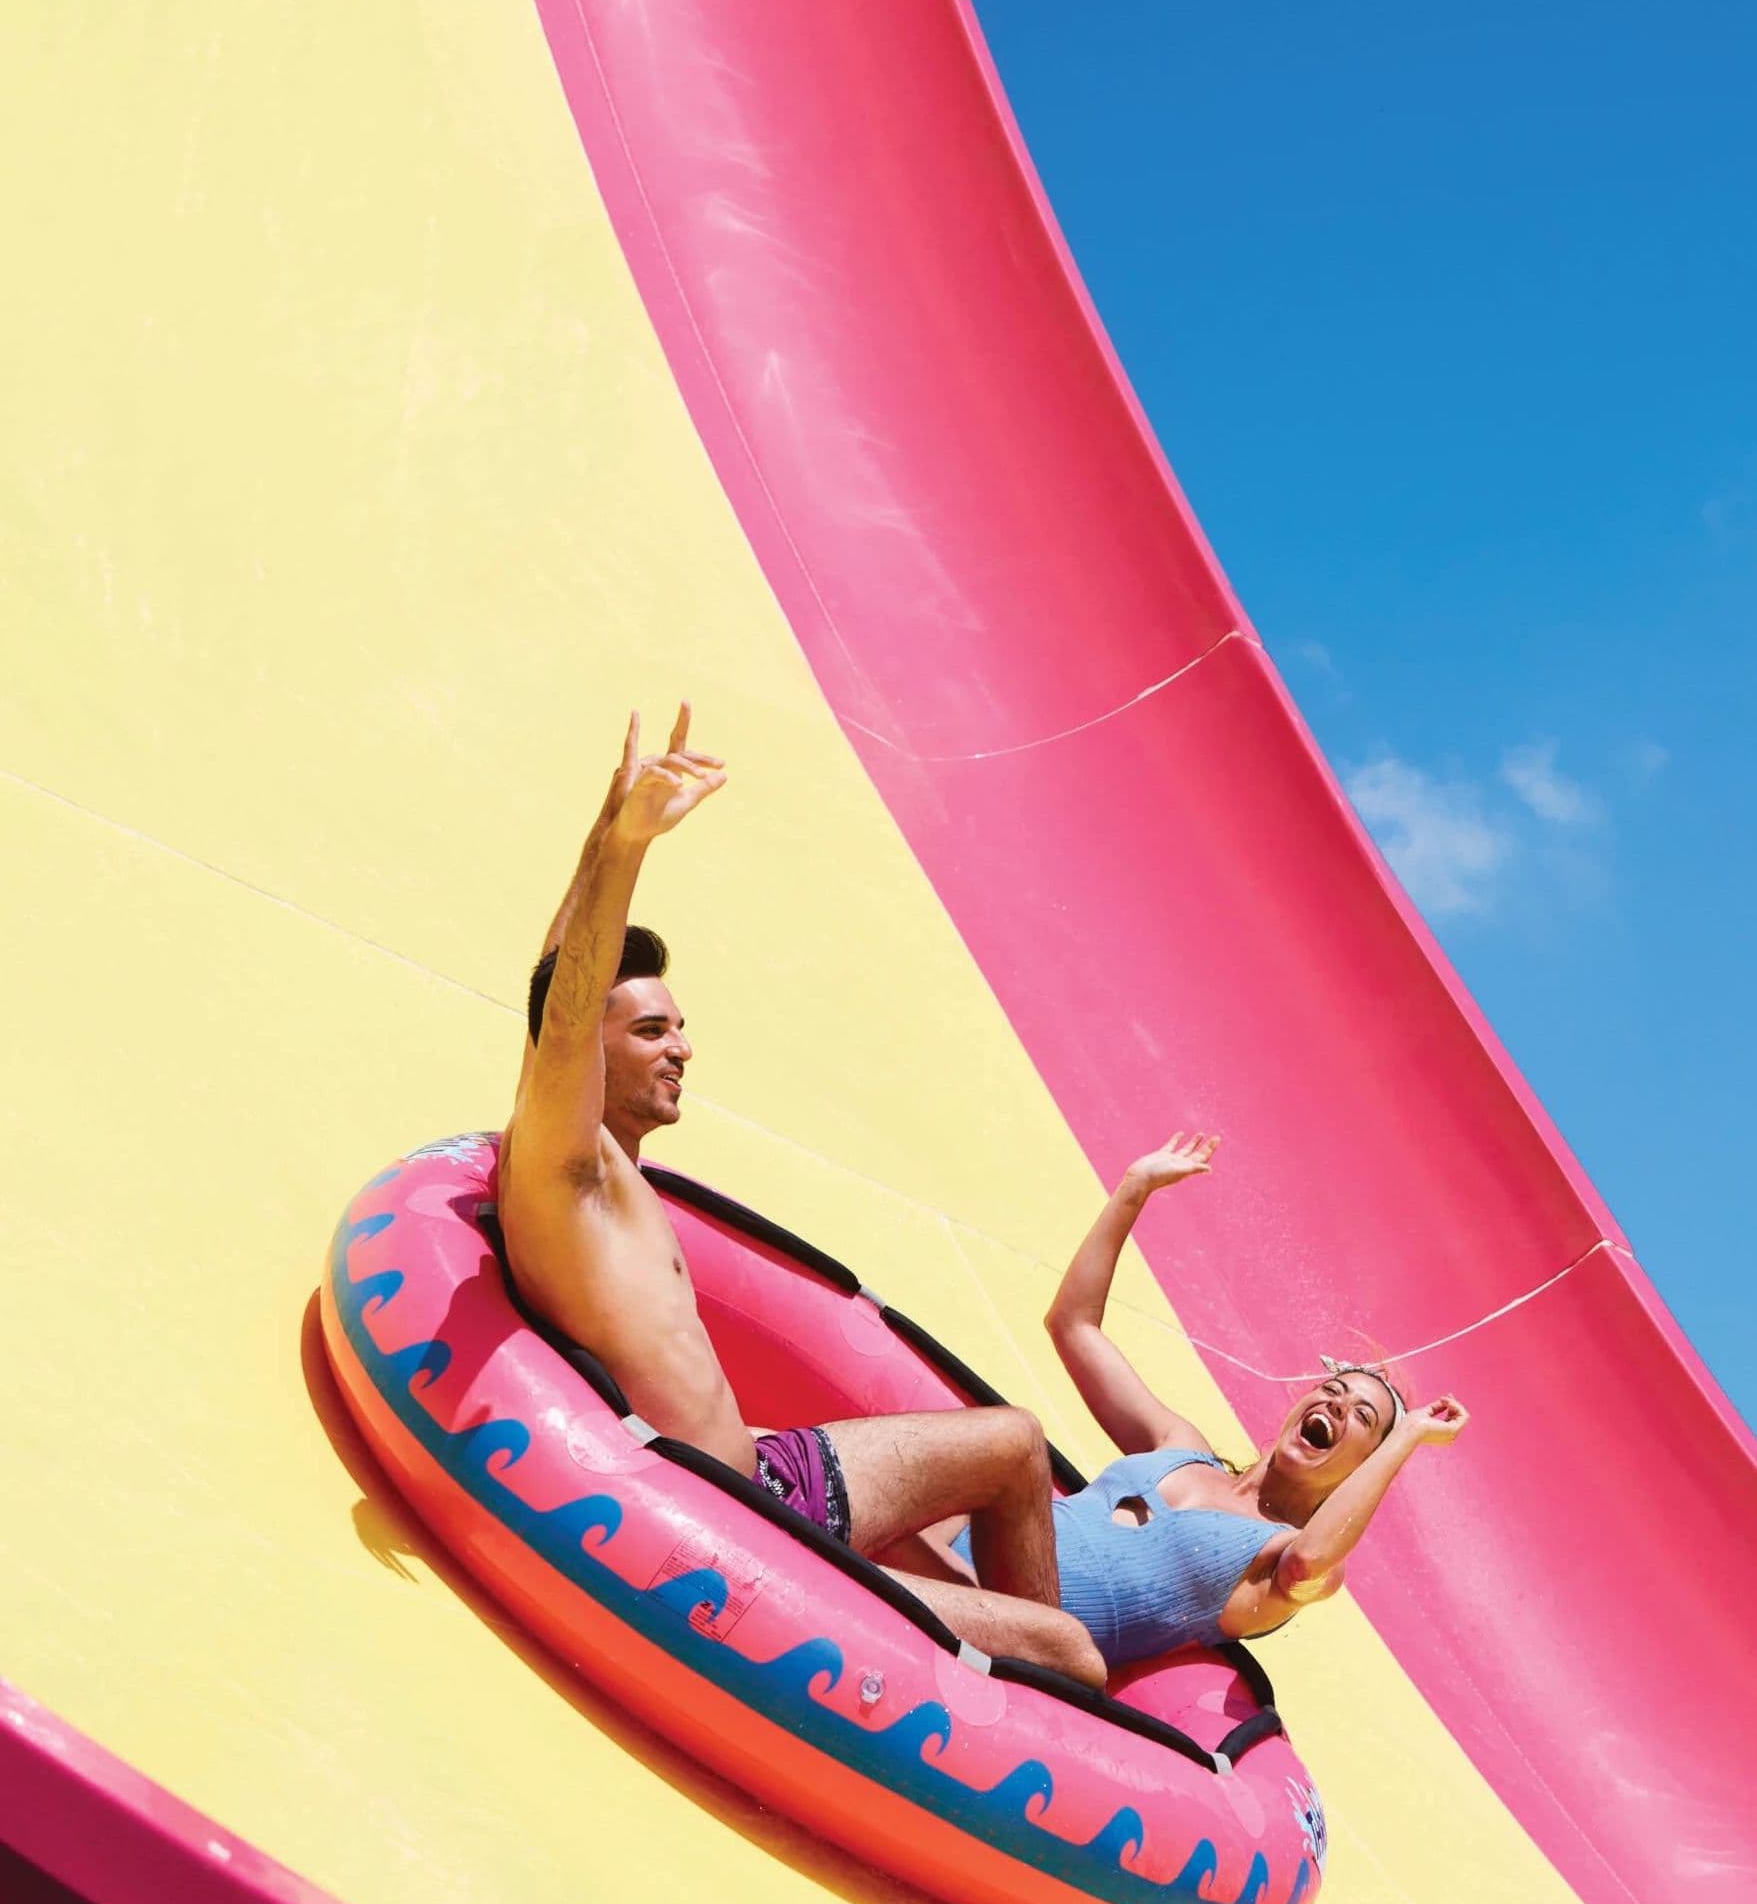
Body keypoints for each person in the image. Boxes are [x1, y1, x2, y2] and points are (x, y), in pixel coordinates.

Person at [498, 704, 1105, 1685]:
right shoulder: (565, 1174)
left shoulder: (616, 1171)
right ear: (590, 1054)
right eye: (652, 1032)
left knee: (1011, 1444)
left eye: (679, 1026)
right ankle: (1035, 1687)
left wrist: (599, 835)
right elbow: (556, 1014)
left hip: (773, 1474)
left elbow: (554, 989)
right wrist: (625, 850)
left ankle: (991, 1654)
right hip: (738, 1525)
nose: (683, 1048)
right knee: (1071, 1652)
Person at [928, 1130, 1468, 1667]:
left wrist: (1409, 1434)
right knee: (1005, 1437)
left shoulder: (1287, 1557)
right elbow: (1072, 1325)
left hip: (1020, 1635)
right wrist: (1133, 1191)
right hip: (950, 1558)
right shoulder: (1179, 1446)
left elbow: (1308, 1561)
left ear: (1364, 1468)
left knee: (1003, 1461)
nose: (1336, 1406)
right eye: (1332, 1389)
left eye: (1363, 1417)